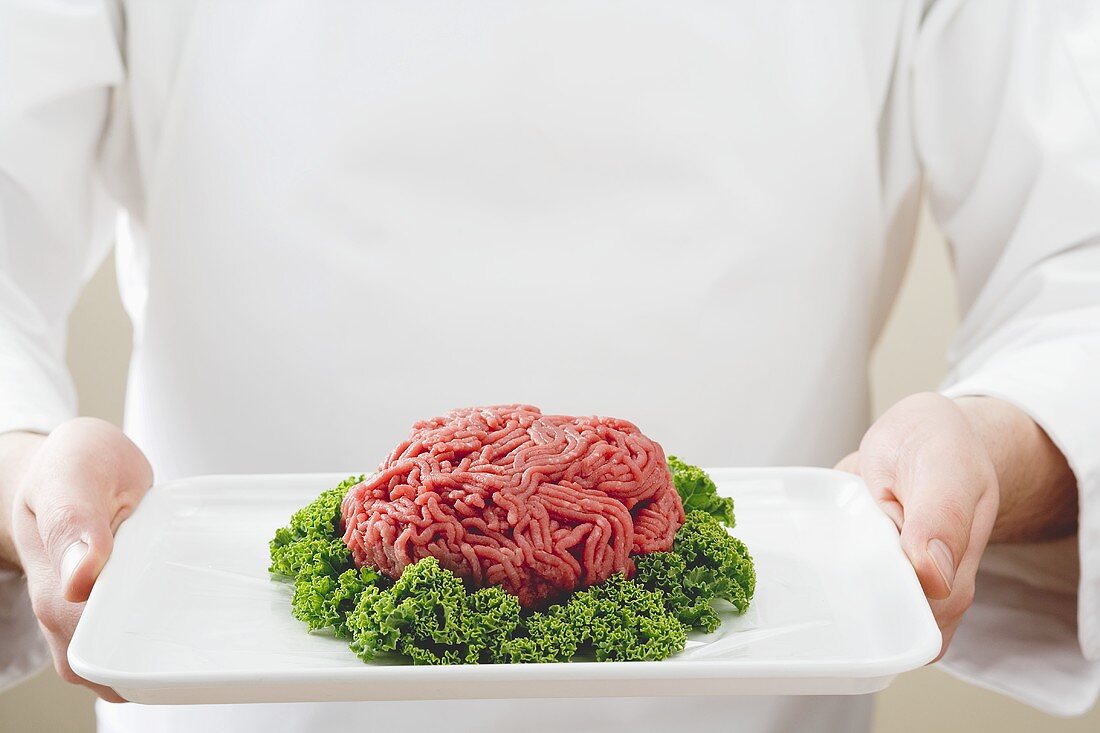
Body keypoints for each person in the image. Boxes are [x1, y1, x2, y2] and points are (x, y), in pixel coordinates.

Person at [1, 1, 1098, 731]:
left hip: (754, 698)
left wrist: (1000, 446)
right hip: (230, 704)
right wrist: (29, 479)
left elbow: (1078, 256)